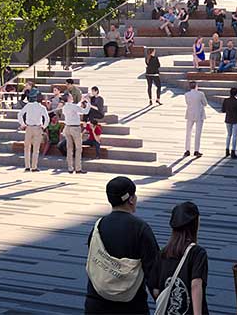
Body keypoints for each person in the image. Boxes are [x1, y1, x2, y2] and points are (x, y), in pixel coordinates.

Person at [84, 176, 159, 313]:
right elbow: (153, 270)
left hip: (96, 303)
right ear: (130, 199)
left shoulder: (98, 227)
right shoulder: (140, 228)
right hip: (131, 305)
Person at [151, 201, 208, 315]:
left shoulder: (162, 253)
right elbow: (196, 285)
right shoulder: (197, 253)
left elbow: (155, 291)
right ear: (195, 224)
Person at [17, 89, 50, 170]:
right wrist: (44, 126)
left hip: (29, 127)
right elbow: (47, 118)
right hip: (38, 127)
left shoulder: (28, 106)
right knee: (36, 148)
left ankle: (27, 166)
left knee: (27, 148)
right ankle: (34, 167)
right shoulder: (42, 107)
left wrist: (23, 124)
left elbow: (20, 114)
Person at [61, 88, 89, 173]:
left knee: (69, 149)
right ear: (68, 98)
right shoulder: (73, 106)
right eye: (70, 96)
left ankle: (70, 168)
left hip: (67, 128)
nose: (72, 97)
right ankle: (78, 168)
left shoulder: (64, 107)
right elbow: (85, 111)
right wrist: (88, 103)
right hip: (75, 128)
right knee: (78, 148)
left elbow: (76, 107)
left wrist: (81, 101)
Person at [182, 80, 206, 158]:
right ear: (196, 86)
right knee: (198, 133)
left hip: (190, 114)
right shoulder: (201, 94)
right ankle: (196, 150)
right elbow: (205, 103)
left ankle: (187, 150)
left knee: (188, 133)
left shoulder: (186, 94)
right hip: (199, 114)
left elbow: (187, 103)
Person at [220, 85, 237, 159]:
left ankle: (227, 150)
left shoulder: (226, 100)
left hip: (228, 119)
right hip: (236, 119)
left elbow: (223, 110)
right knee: (235, 136)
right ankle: (233, 151)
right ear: (236, 93)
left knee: (229, 135)